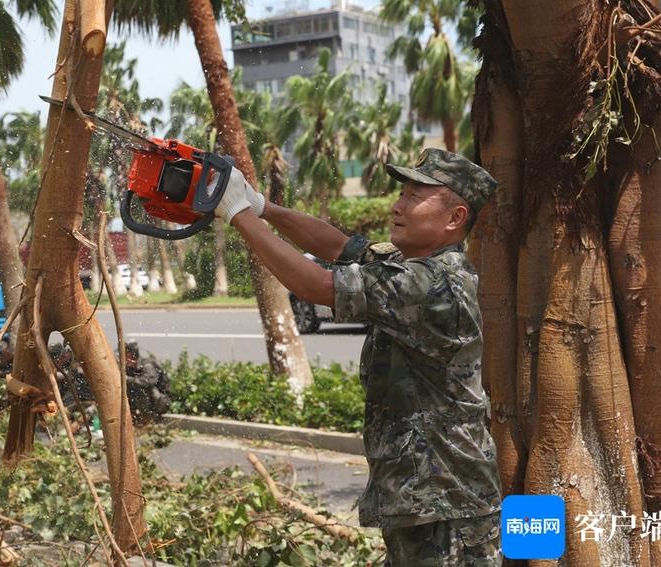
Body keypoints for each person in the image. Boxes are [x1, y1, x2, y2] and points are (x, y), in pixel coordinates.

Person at [214, 148, 503, 566]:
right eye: (401, 192)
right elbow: (339, 246)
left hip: (448, 507)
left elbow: (316, 285)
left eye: (414, 196)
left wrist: (238, 213)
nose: (397, 206)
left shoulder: (434, 284)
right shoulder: (412, 265)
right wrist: (263, 208)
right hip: (425, 501)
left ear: (455, 218)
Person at [121, 340, 171, 425]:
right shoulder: (129, 366)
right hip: (147, 400)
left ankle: (148, 419)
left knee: (140, 388)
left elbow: (148, 382)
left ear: (131, 355)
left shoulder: (147, 365)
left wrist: (127, 379)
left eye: (126, 354)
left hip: (161, 401)